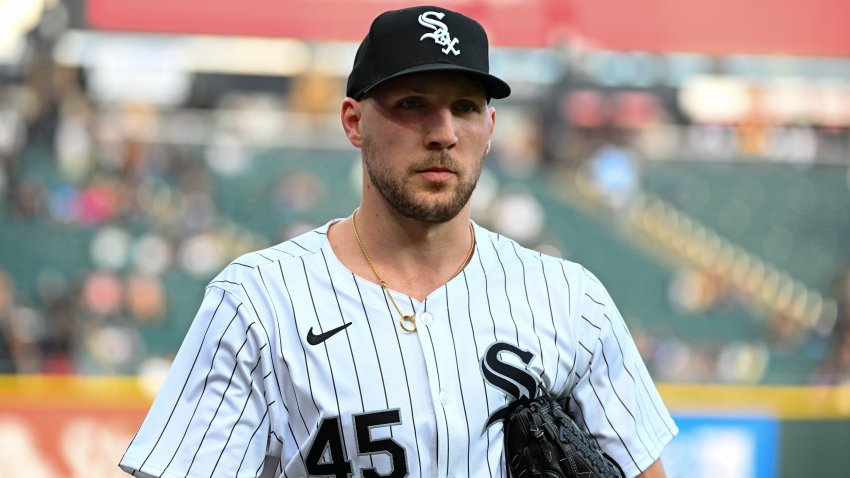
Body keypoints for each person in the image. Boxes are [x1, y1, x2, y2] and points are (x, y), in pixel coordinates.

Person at [119, 5, 677, 478]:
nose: (443, 133)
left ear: (491, 127)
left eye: (465, 106)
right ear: (353, 121)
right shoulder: (258, 300)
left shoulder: (572, 301)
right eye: (412, 104)